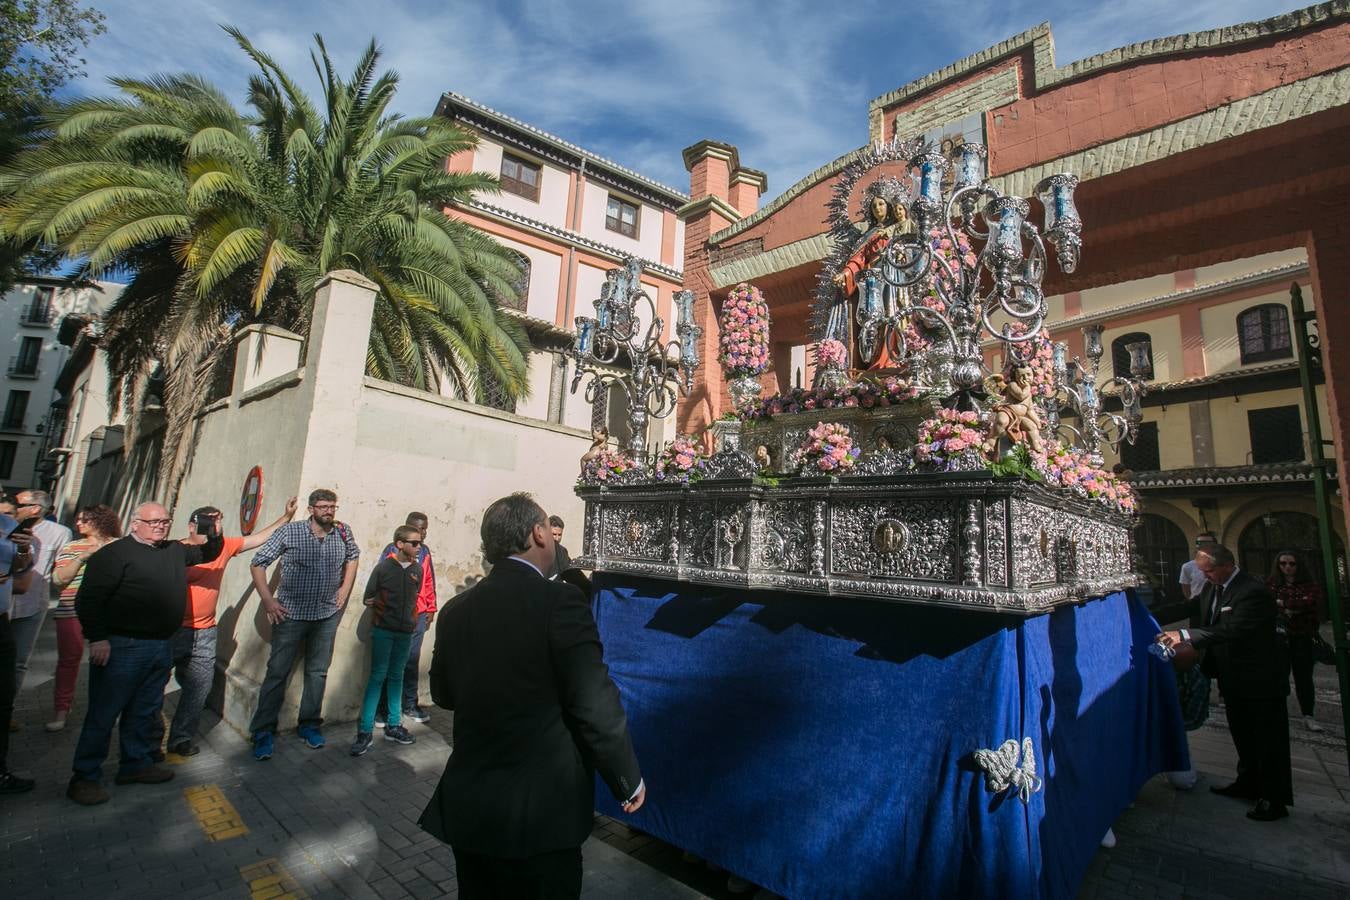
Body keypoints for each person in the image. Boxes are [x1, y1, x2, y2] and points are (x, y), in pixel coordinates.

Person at [419, 493, 644, 900]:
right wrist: (626, 778)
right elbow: (594, 703)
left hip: (472, 806)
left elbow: (443, 694)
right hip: (541, 813)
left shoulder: (456, 609)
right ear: (539, 533)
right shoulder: (561, 602)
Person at [67, 501, 223, 806]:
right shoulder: (113, 555)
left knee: (144, 709)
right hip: (121, 646)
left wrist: (214, 533)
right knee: (104, 713)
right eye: (154, 522)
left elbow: (207, 553)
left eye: (165, 521)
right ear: (135, 523)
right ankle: (85, 777)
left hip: (160, 645)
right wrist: (97, 639)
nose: (161, 526)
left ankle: (135, 765)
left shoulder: (173, 550)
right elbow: (88, 600)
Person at [150, 497, 298, 756]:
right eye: (206, 521)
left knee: (199, 687)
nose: (211, 527)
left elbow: (258, 539)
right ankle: (151, 742)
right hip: (169, 631)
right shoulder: (173, 550)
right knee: (153, 686)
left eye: (216, 522)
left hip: (205, 631)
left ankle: (181, 738)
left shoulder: (223, 547)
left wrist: (285, 517)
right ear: (191, 526)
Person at [1159, 543, 1292, 822]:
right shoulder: (1212, 587)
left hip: (1260, 677)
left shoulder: (1251, 591)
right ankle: (1248, 782)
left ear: (1226, 566)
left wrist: (1184, 635)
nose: (1205, 577)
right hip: (1232, 675)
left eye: (1208, 571)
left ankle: (1273, 798)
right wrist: (1149, 614)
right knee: (1242, 732)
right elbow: (1191, 606)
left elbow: (1232, 629)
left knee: (1267, 738)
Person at [247, 488, 359, 760]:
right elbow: (258, 562)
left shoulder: (343, 532)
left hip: (325, 614)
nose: (328, 511)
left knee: (317, 672)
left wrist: (344, 589)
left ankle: (309, 725)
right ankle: (262, 731)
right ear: (311, 509)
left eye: (332, 506)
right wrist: (267, 600)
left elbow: (353, 556)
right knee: (277, 673)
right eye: (322, 507)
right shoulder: (291, 532)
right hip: (291, 615)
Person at [47, 505, 122, 732]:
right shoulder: (73, 547)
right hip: (71, 610)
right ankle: (61, 711)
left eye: (84, 520)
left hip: (108, 613)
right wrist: (82, 557)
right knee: (68, 662)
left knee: (111, 662)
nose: (78, 524)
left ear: (99, 521)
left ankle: (106, 711)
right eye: (78, 520)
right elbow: (59, 580)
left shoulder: (118, 546)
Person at [351, 525, 424, 756]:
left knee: (397, 676)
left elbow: (416, 594)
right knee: (377, 677)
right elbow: (369, 597)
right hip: (384, 630)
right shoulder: (383, 569)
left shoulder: (417, 570)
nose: (418, 546)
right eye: (414, 543)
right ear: (400, 544)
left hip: (405, 632)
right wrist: (384, 612)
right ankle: (364, 731)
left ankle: (394, 725)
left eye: (420, 542)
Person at [10, 490, 72, 702]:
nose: (14, 508)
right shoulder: (6, 527)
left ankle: (8, 711)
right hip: (4, 601)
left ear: (35, 508)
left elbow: (60, 568)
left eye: (19, 504)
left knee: (19, 661)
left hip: (32, 604)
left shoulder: (59, 533)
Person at [376, 512, 436, 727]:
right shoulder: (392, 551)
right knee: (391, 662)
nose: (423, 533)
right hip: (395, 615)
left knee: (411, 661)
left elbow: (429, 581)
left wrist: (430, 607)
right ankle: (382, 710)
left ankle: (410, 704)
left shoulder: (425, 552)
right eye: (419, 528)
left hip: (417, 616)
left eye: (425, 529)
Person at [1267, 549, 1327, 734]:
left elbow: (1311, 603)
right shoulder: (1273, 584)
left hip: (1302, 637)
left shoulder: (1309, 585)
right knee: (1279, 676)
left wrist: (1282, 604)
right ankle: (1278, 716)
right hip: (1280, 638)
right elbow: (1267, 603)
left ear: (1298, 565)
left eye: (1291, 564)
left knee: (1304, 677)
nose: (1287, 567)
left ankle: (1308, 715)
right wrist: (1290, 606)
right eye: (1283, 563)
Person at [0, 500, 37, 793]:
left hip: (2, 621)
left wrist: (23, 549)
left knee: (3, 698)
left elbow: (22, 574)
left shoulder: (8, 527)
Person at [1178, 532, 1216, 601]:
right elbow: (1186, 589)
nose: (1202, 545)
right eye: (1198, 543)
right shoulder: (1187, 566)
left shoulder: (1221, 564)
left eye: (1206, 543)